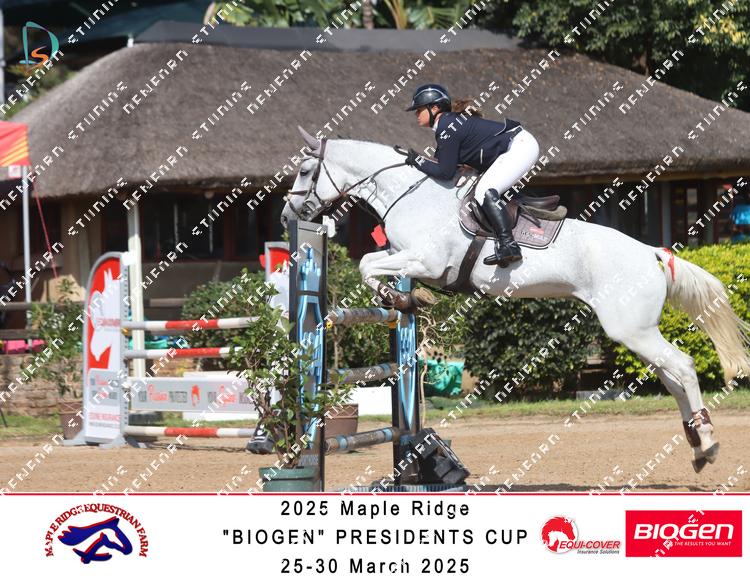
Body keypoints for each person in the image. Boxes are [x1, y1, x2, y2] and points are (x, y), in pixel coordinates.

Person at [403, 83, 540, 267]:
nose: (416, 114)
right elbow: (444, 164)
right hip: (515, 146)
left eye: (419, 109)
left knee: (484, 191)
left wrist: (417, 161)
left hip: (520, 146)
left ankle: (508, 244)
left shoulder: (447, 126)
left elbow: (444, 172)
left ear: (434, 108)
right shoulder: (447, 125)